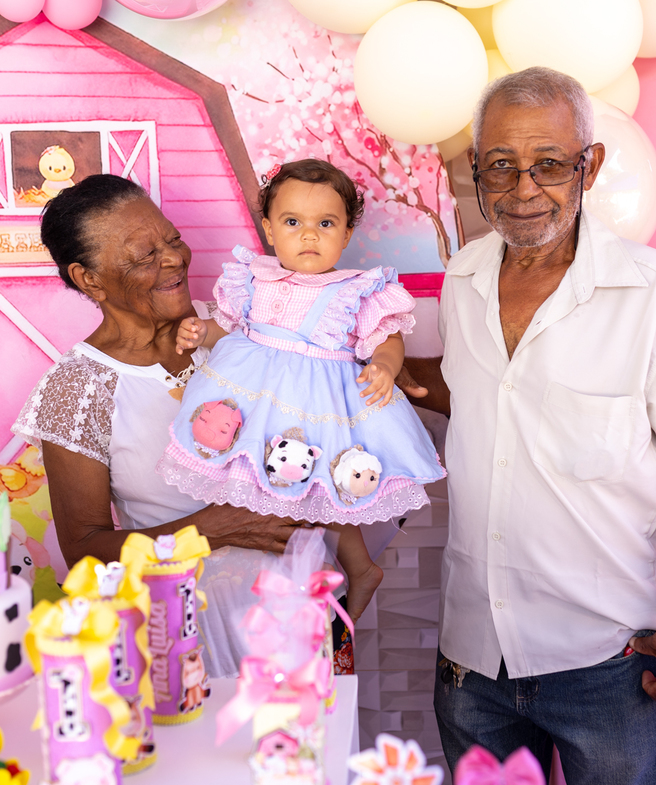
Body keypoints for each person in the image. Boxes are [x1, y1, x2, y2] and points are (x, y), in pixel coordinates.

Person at [399, 68, 656, 785]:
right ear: (477, 170)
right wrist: (349, 365)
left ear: (588, 165)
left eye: (550, 164)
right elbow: (481, 396)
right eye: (501, 165)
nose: (524, 188)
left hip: (609, 662)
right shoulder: (463, 280)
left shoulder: (655, 295)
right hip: (472, 658)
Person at [13, 173, 310, 675]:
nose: (173, 259)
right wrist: (210, 530)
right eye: (143, 256)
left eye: (173, 240)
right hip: (186, 640)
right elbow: (86, 550)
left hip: (302, 612)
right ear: (90, 279)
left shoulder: (242, 328)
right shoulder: (78, 388)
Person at [161, 159, 445, 621]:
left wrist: (385, 365)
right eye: (293, 222)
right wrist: (201, 332)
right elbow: (231, 329)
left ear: (346, 234)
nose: (309, 235)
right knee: (256, 475)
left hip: (321, 404)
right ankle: (254, 574)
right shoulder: (252, 278)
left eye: (325, 224)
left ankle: (358, 567)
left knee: (327, 486)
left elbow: (387, 338)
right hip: (258, 396)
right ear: (270, 229)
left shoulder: (357, 289)